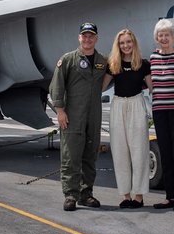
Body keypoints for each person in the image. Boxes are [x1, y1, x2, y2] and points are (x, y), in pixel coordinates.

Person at [49, 22, 108, 211]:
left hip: (93, 115)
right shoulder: (68, 60)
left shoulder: (103, 61)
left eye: (91, 36)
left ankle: (86, 194)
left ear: (96, 38)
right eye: (85, 35)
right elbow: (56, 86)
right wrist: (60, 110)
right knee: (71, 156)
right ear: (79, 38)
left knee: (90, 156)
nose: (88, 39)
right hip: (73, 115)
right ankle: (70, 195)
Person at [102, 29, 153, 208]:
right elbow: (101, 87)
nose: (125, 45)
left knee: (139, 150)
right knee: (119, 150)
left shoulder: (144, 64)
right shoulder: (113, 64)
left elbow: (153, 88)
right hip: (118, 105)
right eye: (122, 43)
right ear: (118, 45)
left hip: (136, 103)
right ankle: (125, 195)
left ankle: (139, 195)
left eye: (128, 42)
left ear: (134, 43)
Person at [148, 19, 174, 210]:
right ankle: (169, 196)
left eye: (167, 35)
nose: (164, 38)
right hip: (159, 111)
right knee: (165, 152)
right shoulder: (153, 58)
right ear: (156, 38)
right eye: (160, 35)